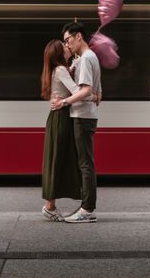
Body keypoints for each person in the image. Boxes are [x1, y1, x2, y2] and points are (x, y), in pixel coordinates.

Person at [41, 39, 96, 222]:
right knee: (58, 159)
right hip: (63, 117)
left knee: (55, 158)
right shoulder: (61, 70)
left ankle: (50, 205)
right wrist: (94, 95)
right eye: (64, 46)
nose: (68, 47)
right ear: (59, 53)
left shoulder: (54, 70)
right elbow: (75, 91)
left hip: (55, 117)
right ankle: (50, 207)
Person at [51, 21, 101, 223]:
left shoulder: (87, 58)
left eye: (68, 40)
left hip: (82, 115)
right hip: (84, 114)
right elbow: (97, 91)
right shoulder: (87, 58)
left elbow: (87, 90)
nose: (67, 44)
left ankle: (87, 210)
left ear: (78, 36)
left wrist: (63, 102)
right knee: (84, 163)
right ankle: (86, 207)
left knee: (85, 164)